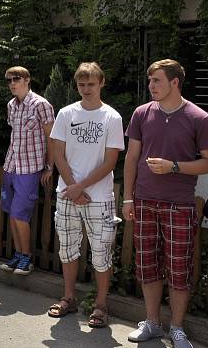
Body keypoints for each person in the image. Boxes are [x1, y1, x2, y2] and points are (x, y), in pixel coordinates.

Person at [124, 59, 208, 348]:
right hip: (144, 201)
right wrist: (127, 198)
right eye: (150, 81)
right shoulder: (141, 113)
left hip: (179, 205)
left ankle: (177, 328)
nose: (151, 86)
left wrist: (174, 167)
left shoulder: (199, 118)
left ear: (175, 82)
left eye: (157, 81)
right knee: (147, 265)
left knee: (178, 268)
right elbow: (131, 158)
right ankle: (151, 323)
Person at [46, 62, 124, 328]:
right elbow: (57, 153)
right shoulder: (66, 113)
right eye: (81, 84)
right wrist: (72, 187)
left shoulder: (111, 117)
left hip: (99, 197)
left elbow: (110, 161)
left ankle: (101, 305)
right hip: (67, 194)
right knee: (67, 250)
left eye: (91, 84)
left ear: (101, 83)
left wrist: (81, 187)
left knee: (101, 253)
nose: (86, 89)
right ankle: (69, 298)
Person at [0, 66, 55, 275]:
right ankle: (17, 255)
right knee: (11, 214)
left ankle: (27, 258)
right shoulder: (11, 106)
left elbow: (52, 138)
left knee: (19, 214)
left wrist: (50, 166)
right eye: (9, 80)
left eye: (16, 79)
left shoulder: (41, 105)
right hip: (11, 165)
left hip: (30, 168)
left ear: (27, 80)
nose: (12, 83)